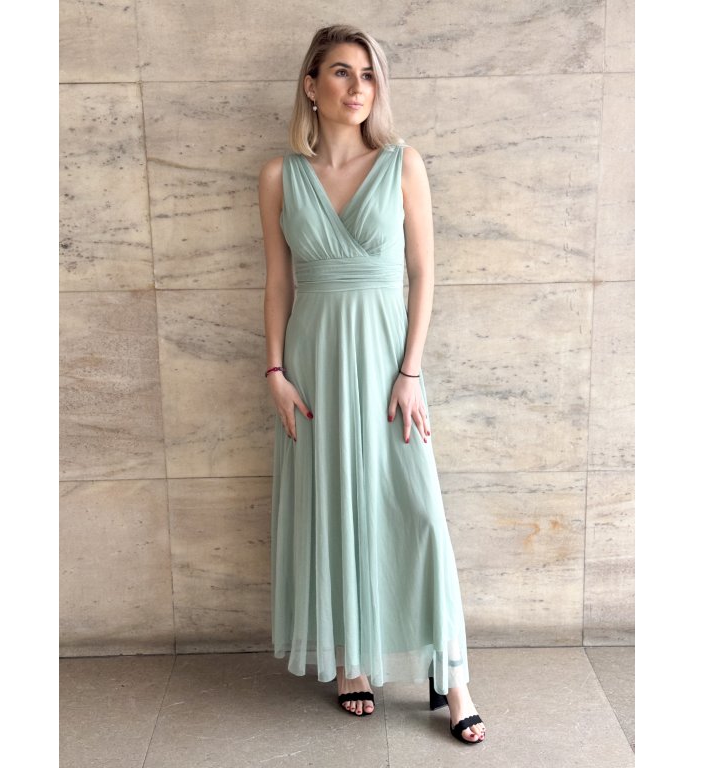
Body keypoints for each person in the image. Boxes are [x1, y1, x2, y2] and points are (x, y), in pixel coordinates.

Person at [257, 24, 487, 745]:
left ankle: (453, 676)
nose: (357, 87)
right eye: (341, 72)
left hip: (390, 366)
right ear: (311, 85)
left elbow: (423, 273)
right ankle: (351, 661)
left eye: (368, 75)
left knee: (419, 512)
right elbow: (278, 282)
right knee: (333, 507)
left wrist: (411, 371)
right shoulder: (279, 176)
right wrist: (275, 373)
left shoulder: (401, 163)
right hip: (314, 366)